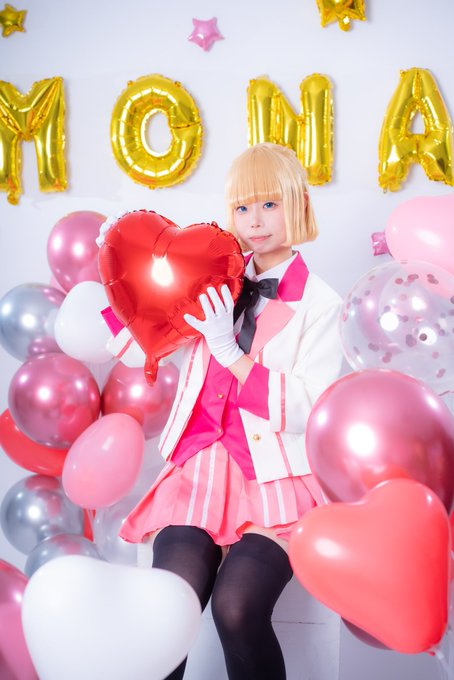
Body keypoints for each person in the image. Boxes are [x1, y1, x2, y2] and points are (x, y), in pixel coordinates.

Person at [118, 142, 344, 680]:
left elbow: (309, 408)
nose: (255, 221)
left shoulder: (323, 304)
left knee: (237, 609)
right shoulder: (207, 275)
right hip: (199, 469)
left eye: (269, 204)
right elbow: (142, 340)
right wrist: (125, 283)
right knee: (167, 608)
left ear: (298, 205)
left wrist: (232, 354)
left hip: (274, 478)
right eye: (242, 207)